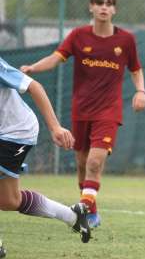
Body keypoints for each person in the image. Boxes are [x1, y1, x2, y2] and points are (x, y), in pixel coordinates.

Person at [20, 0, 145, 228]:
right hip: (81, 110)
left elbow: (136, 69)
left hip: (109, 111)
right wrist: (33, 68)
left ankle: (86, 210)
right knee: (81, 162)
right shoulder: (78, 36)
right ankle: (90, 209)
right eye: (99, 3)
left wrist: (141, 91)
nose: (103, 7)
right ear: (91, 7)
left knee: (94, 162)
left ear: (114, 9)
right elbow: (56, 58)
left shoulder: (126, 40)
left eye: (108, 4)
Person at [0, 56, 91, 248]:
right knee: (9, 200)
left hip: (15, 131)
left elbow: (35, 87)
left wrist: (55, 128)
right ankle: (73, 216)